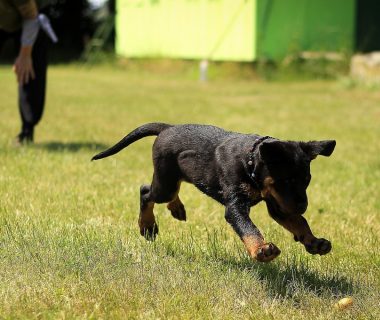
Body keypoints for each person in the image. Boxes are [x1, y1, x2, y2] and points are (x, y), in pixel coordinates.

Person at [0, 0, 55, 144]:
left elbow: (31, 16)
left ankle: (27, 131)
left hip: (32, 15)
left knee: (29, 72)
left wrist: (25, 54)